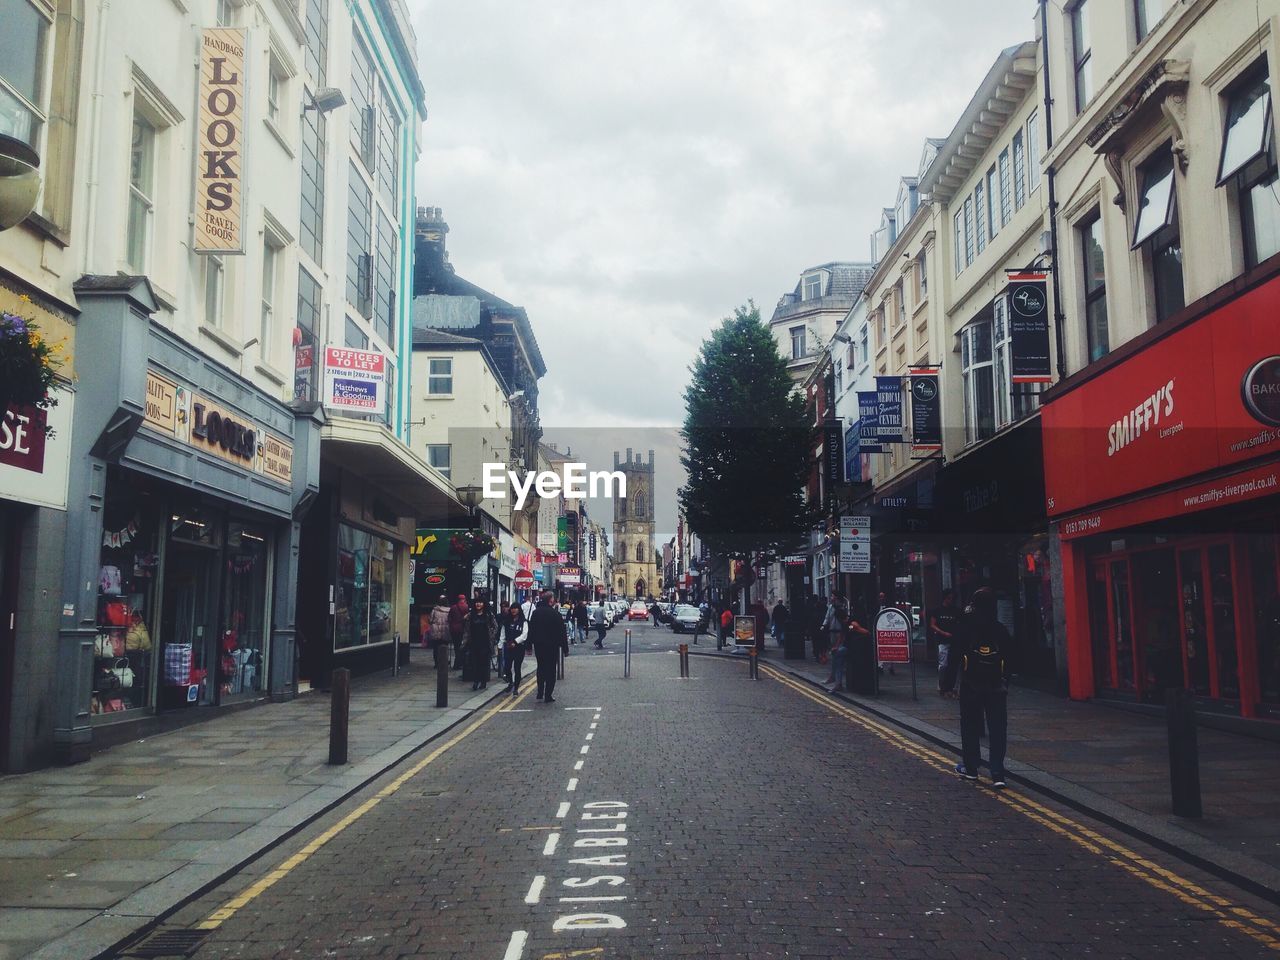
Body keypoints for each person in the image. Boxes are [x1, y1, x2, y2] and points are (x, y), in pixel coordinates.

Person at [942, 587, 1011, 787]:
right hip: (996, 685)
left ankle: (971, 768)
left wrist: (947, 684)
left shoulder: (965, 626)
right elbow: (1010, 658)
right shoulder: (1000, 629)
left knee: (970, 725)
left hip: (971, 683)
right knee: (997, 728)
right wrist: (1006, 681)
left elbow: (953, 656)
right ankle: (997, 773)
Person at [528, 590, 570, 703]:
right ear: (551, 600)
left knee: (541, 667)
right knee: (551, 670)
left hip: (539, 645)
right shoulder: (555, 614)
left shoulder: (536, 613)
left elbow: (531, 629)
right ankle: (548, 695)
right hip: (552, 646)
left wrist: (528, 645)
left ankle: (540, 692)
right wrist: (565, 648)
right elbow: (562, 632)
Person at [929, 589, 960, 696]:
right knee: (943, 664)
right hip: (942, 640)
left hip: (954, 640)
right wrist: (942, 632)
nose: (950, 600)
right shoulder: (937, 610)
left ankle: (953, 686)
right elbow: (932, 624)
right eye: (948, 598)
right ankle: (941, 683)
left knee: (954, 664)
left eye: (952, 598)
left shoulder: (956, 611)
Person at [465, 598, 496, 692]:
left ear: (484, 604)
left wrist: (491, 635)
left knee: (483, 664)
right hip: (474, 643)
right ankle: (475, 681)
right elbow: (467, 629)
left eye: (480, 602)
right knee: (475, 663)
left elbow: (495, 626)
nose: (478, 604)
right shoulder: (471, 615)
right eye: (477, 602)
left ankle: (483, 681)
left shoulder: (488, 615)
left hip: (485, 643)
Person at [499, 602, 527, 694]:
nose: (513, 610)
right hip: (508, 647)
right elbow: (503, 634)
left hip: (519, 648)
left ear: (519, 610)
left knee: (517, 668)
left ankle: (516, 688)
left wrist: (515, 642)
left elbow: (524, 635)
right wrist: (500, 645)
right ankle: (510, 683)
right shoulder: (507, 621)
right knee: (507, 667)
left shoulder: (524, 622)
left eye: (516, 608)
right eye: (512, 608)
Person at [820, 593, 847, 665]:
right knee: (833, 648)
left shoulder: (842, 607)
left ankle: (840, 663)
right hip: (832, 631)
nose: (831, 597)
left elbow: (845, 620)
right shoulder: (830, 607)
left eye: (832, 596)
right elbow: (827, 618)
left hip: (840, 631)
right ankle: (835, 663)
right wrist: (823, 625)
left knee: (839, 647)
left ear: (836, 597)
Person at [427, 594, 451, 667]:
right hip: (445, 631)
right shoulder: (449, 610)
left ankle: (436, 663)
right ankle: (444, 662)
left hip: (436, 631)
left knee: (436, 648)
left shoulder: (434, 610)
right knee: (445, 647)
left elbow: (430, 620)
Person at [447, 594, 469, 671]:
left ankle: (457, 663)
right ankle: (459, 663)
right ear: (464, 599)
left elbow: (449, 619)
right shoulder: (466, 607)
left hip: (454, 629)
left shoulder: (453, 607)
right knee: (462, 647)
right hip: (462, 629)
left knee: (456, 647)